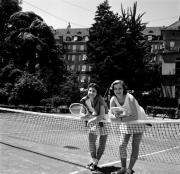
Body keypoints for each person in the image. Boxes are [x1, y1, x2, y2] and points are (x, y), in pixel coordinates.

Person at [109, 80, 147, 174]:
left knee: (135, 146)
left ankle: (129, 170)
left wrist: (120, 119)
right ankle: (123, 168)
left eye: (120, 88)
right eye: (115, 89)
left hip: (139, 120)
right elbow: (111, 116)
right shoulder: (113, 99)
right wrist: (116, 117)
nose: (118, 91)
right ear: (113, 90)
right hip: (126, 121)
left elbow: (135, 116)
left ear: (124, 89)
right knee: (122, 145)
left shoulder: (130, 98)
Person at [80, 83, 108, 171]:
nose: (91, 92)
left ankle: (95, 163)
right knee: (91, 142)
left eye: (94, 91)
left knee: (101, 143)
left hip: (104, 122)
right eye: (90, 90)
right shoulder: (85, 100)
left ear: (97, 93)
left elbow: (102, 115)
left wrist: (90, 120)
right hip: (93, 121)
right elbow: (81, 113)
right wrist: (84, 116)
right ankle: (94, 160)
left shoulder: (100, 100)